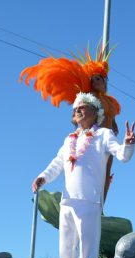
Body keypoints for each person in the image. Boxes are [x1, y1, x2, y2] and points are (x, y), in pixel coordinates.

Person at [31, 92, 135, 258]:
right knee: (66, 247)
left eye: (83, 106)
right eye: (76, 108)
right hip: (68, 201)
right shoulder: (69, 139)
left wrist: (129, 144)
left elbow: (123, 155)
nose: (78, 109)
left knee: (88, 247)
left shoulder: (104, 134)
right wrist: (42, 177)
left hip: (89, 200)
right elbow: (57, 163)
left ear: (95, 112)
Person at [20, 43, 123, 203]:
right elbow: (79, 113)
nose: (96, 82)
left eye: (99, 79)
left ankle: (100, 207)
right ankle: (80, 202)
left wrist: (115, 129)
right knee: (84, 174)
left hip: (106, 143)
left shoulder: (110, 102)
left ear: (105, 82)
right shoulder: (89, 98)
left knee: (105, 174)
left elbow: (113, 119)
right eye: (93, 79)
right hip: (92, 141)